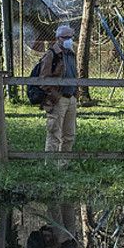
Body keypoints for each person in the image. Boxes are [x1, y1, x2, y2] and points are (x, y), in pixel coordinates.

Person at [38, 24, 80, 153]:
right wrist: (54, 95)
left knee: (69, 135)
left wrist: (76, 94)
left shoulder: (71, 54)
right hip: (58, 98)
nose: (69, 39)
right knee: (54, 134)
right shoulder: (51, 54)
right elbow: (43, 79)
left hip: (71, 98)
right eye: (65, 37)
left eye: (71, 37)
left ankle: (63, 166)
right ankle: (51, 166)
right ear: (58, 38)